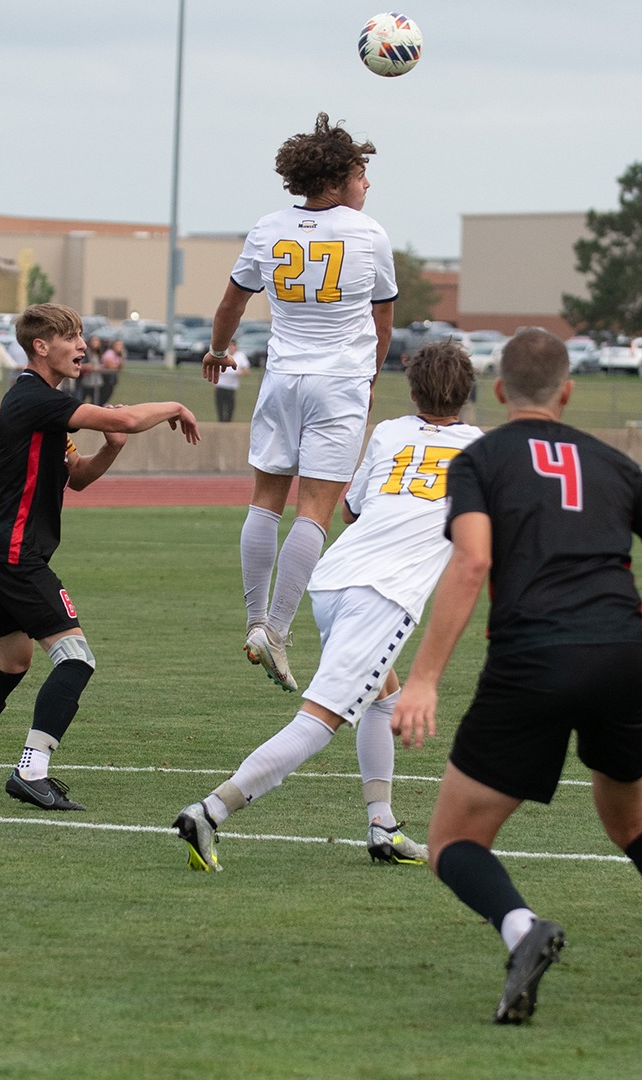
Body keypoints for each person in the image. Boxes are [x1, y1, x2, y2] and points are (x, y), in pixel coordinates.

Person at [389, 329, 642, 1022]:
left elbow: (472, 562)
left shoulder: (481, 459)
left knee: (453, 841)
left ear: (501, 391)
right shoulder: (612, 462)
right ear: (567, 391)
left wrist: (422, 680)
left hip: (534, 656)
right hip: (622, 654)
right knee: (634, 822)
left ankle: (521, 929)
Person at [176, 341, 480, 872]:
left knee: (384, 697)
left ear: (411, 390)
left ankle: (382, 826)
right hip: (384, 596)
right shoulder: (481, 447)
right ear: (469, 392)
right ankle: (209, 810)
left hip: (335, 578)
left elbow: (351, 511)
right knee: (320, 721)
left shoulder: (388, 432)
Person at [0, 303, 200, 810]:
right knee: (77, 658)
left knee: (12, 662)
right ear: (40, 347)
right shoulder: (34, 397)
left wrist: (112, 448)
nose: (82, 346)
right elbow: (132, 418)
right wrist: (175, 405)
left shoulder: (44, 407)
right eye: (71, 337)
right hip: (13, 552)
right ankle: (32, 770)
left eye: (81, 336)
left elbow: (78, 477)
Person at [205, 112, 397, 695]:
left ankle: (255, 619)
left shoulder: (267, 228)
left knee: (264, 501)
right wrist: (367, 381)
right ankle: (278, 630)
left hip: (281, 379)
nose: (367, 186)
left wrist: (217, 351)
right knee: (315, 509)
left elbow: (230, 306)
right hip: (338, 382)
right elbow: (382, 322)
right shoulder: (369, 235)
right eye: (362, 175)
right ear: (337, 179)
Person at [212, 343, 249, 422]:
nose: (231, 348)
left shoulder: (240, 356)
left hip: (231, 385)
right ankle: (220, 422)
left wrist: (240, 373)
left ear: (236, 347)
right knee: (220, 405)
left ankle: (228, 422)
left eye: (232, 346)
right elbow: (216, 368)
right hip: (221, 384)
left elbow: (246, 368)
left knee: (230, 405)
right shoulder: (223, 355)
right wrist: (215, 382)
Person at [97, 337, 123, 406]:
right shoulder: (109, 353)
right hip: (106, 377)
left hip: (112, 378)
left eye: (120, 345)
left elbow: (120, 368)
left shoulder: (118, 355)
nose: (119, 347)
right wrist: (116, 367)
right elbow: (111, 367)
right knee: (103, 394)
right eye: (117, 345)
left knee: (109, 393)